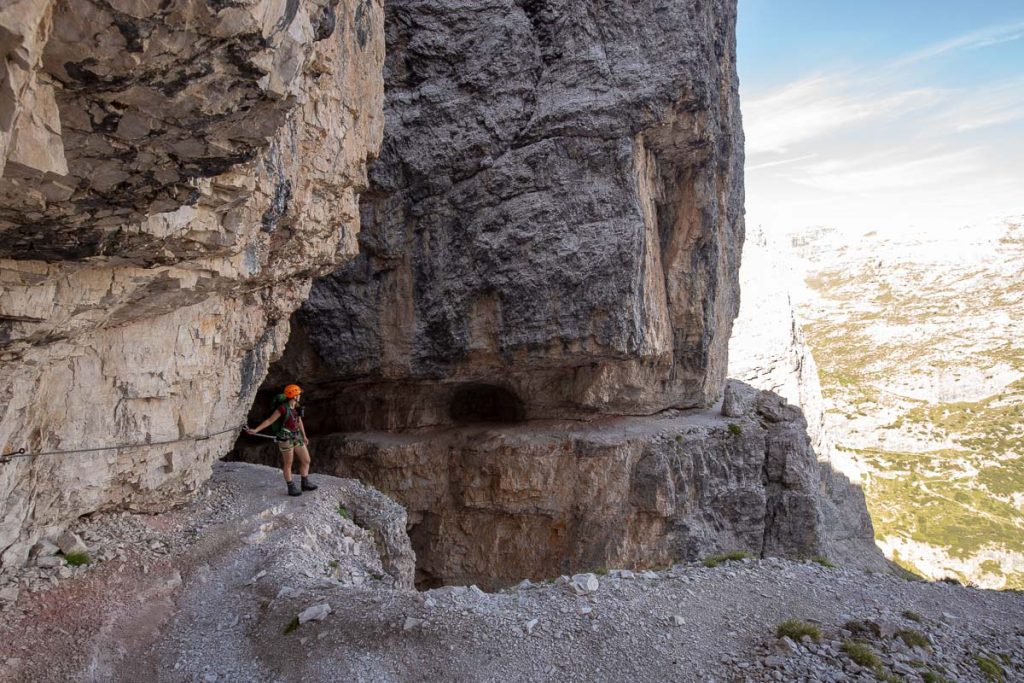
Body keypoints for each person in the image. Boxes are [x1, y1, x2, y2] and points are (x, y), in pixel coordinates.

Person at [246, 384, 318, 497]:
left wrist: (304, 436)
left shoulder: (297, 406)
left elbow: (299, 421)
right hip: (285, 437)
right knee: (288, 463)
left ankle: (305, 483)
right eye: (298, 394)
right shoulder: (282, 408)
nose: (300, 396)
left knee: (306, 460)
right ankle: (291, 487)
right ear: (294, 396)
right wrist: (256, 430)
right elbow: (269, 421)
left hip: (296, 436)